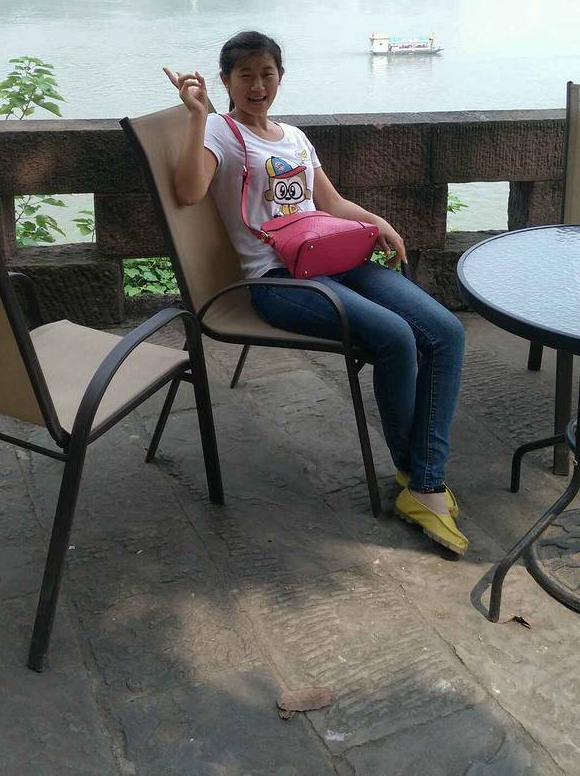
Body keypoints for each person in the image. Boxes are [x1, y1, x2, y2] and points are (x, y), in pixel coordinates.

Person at [164, 30, 467, 556]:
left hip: (334, 259)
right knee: (396, 337)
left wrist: (376, 222)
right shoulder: (218, 130)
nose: (257, 85)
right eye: (245, 75)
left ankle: (421, 476)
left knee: (446, 331)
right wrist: (195, 116)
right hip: (276, 280)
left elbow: (330, 203)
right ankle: (424, 483)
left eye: (267, 73)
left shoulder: (295, 137)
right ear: (226, 81)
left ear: (281, 76)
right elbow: (188, 192)